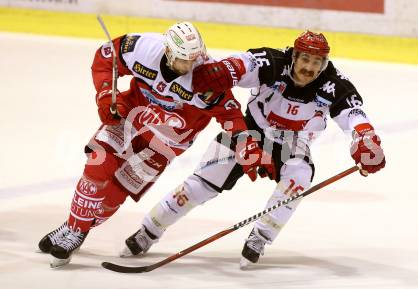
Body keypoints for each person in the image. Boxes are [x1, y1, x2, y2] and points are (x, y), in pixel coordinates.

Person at [119, 30, 386, 268]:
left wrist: (365, 138)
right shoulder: (273, 62)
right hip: (248, 131)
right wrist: (225, 69)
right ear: (294, 56)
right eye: (305, 59)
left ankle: (261, 236)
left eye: (317, 62)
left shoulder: (334, 83)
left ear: (324, 64)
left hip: (294, 143)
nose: (309, 68)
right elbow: (245, 63)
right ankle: (148, 230)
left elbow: (354, 114)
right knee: (199, 185)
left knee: (299, 178)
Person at [37, 22, 275, 268]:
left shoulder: (207, 75)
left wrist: (246, 146)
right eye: (184, 60)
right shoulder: (143, 49)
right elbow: (105, 57)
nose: (191, 65)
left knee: (116, 193)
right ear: (168, 52)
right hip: (130, 116)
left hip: (166, 143)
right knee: (99, 164)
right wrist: (106, 95)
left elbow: (230, 114)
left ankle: (73, 225)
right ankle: (76, 232)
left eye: (195, 58)